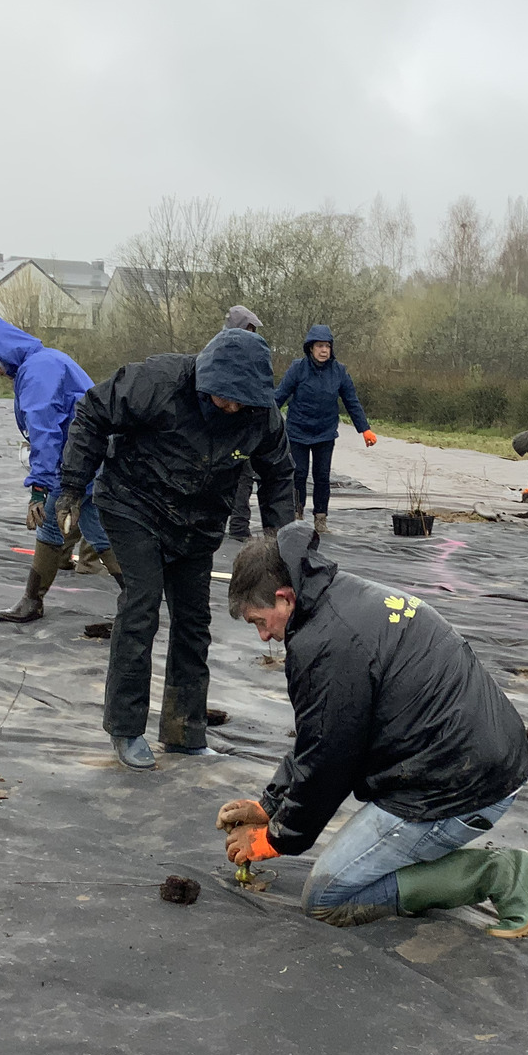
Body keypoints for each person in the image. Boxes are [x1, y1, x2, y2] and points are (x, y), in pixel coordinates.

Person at [218, 524, 528, 934]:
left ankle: (499, 874)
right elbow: (322, 732)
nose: (264, 635)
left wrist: (277, 838)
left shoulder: (325, 644)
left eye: (259, 621)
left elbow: (328, 760)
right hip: (479, 753)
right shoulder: (338, 595)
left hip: (460, 781)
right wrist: (269, 804)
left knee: (326, 898)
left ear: (285, 598)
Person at [58, 321, 294, 770]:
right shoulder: (158, 383)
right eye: (223, 395)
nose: (230, 406)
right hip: (134, 503)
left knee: (194, 620)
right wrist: (71, 485)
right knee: (142, 604)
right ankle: (126, 728)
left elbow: (279, 476)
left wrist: (282, 545)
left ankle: (185, 731)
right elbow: (91, 413)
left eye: (240, 400)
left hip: (199, 520)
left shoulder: (261, 417)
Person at [0, 314, 101, 623]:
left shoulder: (38, 371)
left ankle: (32, 600)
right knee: (96, 528)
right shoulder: (45, 362)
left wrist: (39, 488)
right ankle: (137, 604)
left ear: (4, 353)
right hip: (91, 456)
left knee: (53, 523)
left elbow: (45, 431)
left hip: (79, 460)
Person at [273, 323, 377, 530]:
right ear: (310, 348)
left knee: (322, 476)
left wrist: (364, 429)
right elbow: (279, 397)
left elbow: (352, 401)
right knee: (299, 473)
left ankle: (321, 518)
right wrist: (262, 421)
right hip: (298, 431)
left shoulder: (339, 372)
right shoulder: (297, 369)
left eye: (327, 346)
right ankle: (297, 514)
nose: (323, 350)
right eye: (319, 346)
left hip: (325, 433)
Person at [217, 305, 266, 541]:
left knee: (245, 477)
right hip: (217, 431)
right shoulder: (216, 355)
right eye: (248, 330)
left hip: (242, 432)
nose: (252, 336)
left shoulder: (254, 359)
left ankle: (238, 528)